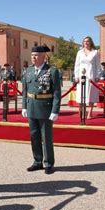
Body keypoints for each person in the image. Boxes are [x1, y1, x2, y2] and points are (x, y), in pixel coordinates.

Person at [22, 45, 61, 174]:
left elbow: (56, 92)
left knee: (46, 137)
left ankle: (49, 163)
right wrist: (24, 106)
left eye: (37, 55)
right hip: (32, 106)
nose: (33, 57)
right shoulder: (28, 71)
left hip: (45, 108)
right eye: (32, 55)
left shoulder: (52, 71)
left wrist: (55, 110)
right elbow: (25, 91)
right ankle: (37, 161)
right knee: (34, 136)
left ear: (44, 56)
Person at [74, 36, 100, 119]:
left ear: (91, 42)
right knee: (81, 94)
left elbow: (97, 65)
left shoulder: (95, 52)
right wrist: (76, 76)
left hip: (91, 74)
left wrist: (97, 75)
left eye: (87, 41)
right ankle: (82, 112)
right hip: (81, 75)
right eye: (84, 41)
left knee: (91, 94)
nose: (86, 43)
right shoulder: (79, 52)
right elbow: (76, 65)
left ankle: (90, 112)